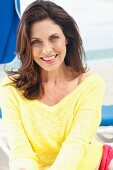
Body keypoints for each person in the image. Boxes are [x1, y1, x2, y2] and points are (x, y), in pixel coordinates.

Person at [0, 0, 113, 170]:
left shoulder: (90, 84)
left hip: (97, 162)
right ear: (27, 46)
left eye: (54, 38)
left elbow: (76, 143)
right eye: (36, 41)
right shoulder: (10, 88)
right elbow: (21, 151)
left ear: (67, 38)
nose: (46, 50)